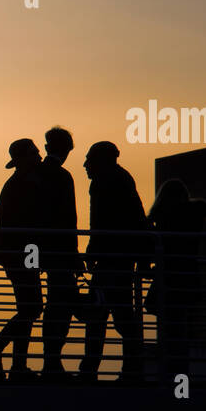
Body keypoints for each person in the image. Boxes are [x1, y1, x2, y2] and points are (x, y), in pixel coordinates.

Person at [80, 141, 148, 382]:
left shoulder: (104, 181)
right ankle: (129, 367)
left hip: (111, 260)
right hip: (120, 258)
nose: (85, 164)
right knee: (113, 314)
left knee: (103, 315)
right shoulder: (121, 178)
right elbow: (138, 217)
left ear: (100, 160)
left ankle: (92, 370)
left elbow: (99, 221)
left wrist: (91, 251)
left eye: (89, 159)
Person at [0, 139, 46, 381]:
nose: (39, 157)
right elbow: (30, 224)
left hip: (17, 254)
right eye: (35, 154)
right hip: (20, 255)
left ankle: (17, 364)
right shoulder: (22, 185)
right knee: (32, 307)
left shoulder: (18, 183)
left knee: (27, 308)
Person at [147, 178, 206, 379]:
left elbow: (160, 247)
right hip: (188, 277)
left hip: (169, 279)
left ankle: (170, 373)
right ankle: (180, 376)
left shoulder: (165, 221)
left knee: (170, 329)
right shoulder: (194, 217)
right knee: (181, 329)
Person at [39, 127, 80, 380]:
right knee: (60, 306)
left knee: (52, 306)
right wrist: (74, 253)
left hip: (43, 251)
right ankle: (53, 362)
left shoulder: (37, 174)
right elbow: (68, 219)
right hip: (61, 252)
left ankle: (50, 361)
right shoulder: (63, 176)